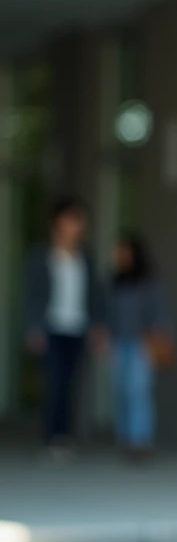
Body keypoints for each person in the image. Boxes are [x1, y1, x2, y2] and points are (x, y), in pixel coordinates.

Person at [22, 197, 107, 460]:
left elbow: (95, 294)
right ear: (57, 223)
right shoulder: (41, 256)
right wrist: (32, 328)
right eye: (70, 220)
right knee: (55, 381)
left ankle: (65, 435)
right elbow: (31, 294)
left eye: (78, 220)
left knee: (71, 382)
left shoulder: (86, 257)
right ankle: (53, 436)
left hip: (77, 327)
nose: (75, 226)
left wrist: (97, 326)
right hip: (51, 326)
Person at [107, 231, 172, 461]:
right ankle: (125, 438)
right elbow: (109, 314)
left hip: (142, 343)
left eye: (123, 251)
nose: (119, 255)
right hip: (118, 343)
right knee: (121, 392)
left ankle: (141, 439)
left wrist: (158, 337)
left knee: (139, 392)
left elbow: (160, 312)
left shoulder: (149, 281)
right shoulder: (114, 280)